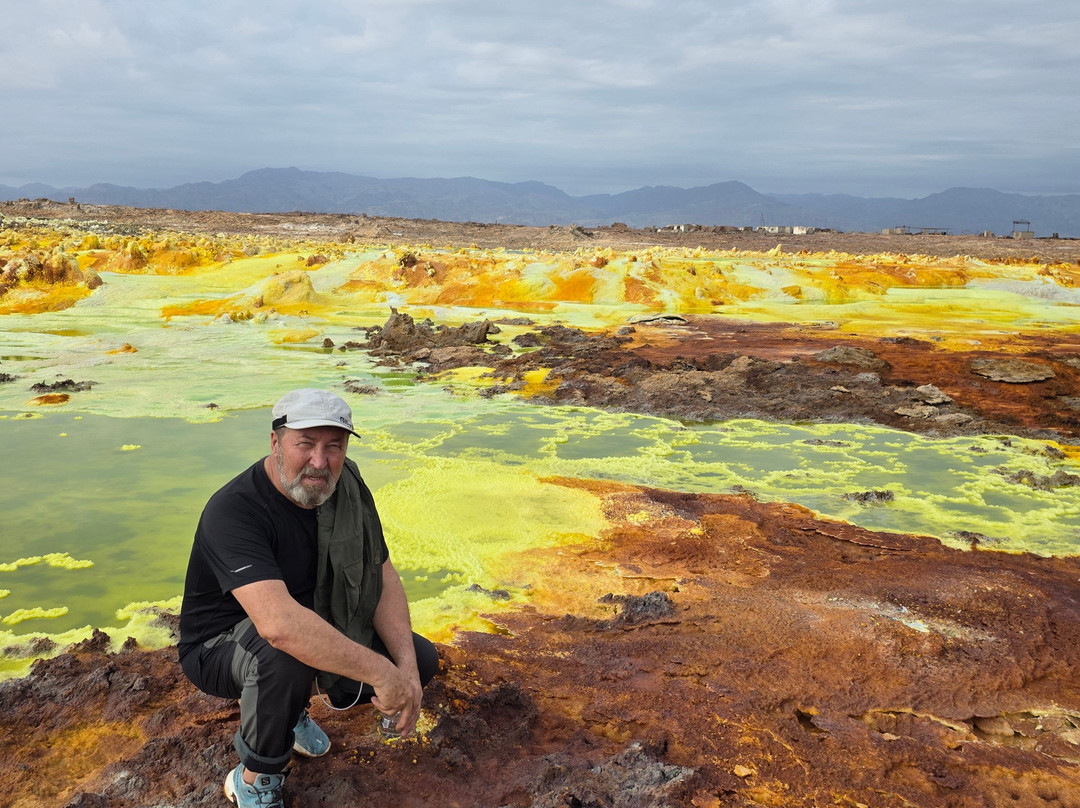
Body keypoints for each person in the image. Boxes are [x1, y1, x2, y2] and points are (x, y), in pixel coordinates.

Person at [178, 388, 439, 808]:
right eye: (305, 444)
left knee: (421, 659)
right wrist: (381, 675)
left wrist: (404, 670)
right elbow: (278, 626)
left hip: (308, 617)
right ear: (275, 442)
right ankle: (254, 781)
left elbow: (381, 574)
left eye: (334, 446)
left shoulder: (347, 486)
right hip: (218, 645)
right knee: (284, 658)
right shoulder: (233, 511)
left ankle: (290, 707)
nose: (320, 461)